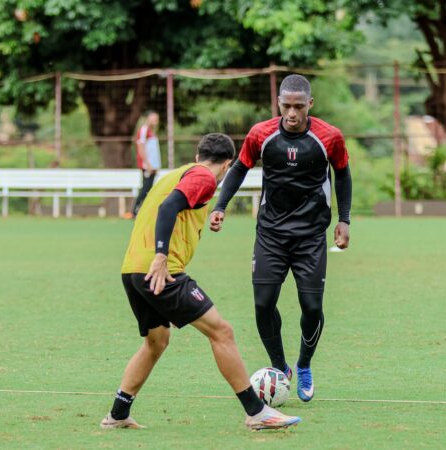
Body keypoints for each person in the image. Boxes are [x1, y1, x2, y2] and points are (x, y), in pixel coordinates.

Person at [101, 133, 301, 431]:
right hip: (161, 270)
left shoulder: (179, 173)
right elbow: (169, 208)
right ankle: (257, 412)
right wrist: (160, 255)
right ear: (228, 164)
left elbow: (167, 208)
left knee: (156, 342)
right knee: (221, 331)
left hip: (132, 269)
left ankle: (118, 414)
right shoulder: (205, 178)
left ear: (198, 155)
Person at [209, 74, 352, 403]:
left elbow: (342, 173)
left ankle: (303, 365)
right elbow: (240, 167)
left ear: (309, 105)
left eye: (298, 107)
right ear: (278, 104)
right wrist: (220, 206)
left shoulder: (329, 137)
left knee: (312, 307)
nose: (291, 113)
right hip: (270, 234)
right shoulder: (261, 134)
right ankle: (279, 367)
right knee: (262, 305)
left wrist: (343, 220)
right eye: (286, 106)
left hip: (311, 236)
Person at [132, 111, 162, 216]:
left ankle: (143, 210)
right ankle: (135, 209)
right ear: (148, 118)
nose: (156, 121)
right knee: (146, 187)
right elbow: (141, 147)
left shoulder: (151, 131)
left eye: (157, 119)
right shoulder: (144, 130)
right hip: (147, 166)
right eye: (153, 118)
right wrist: (148, 164)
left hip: (152, 166)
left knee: (149, 187)